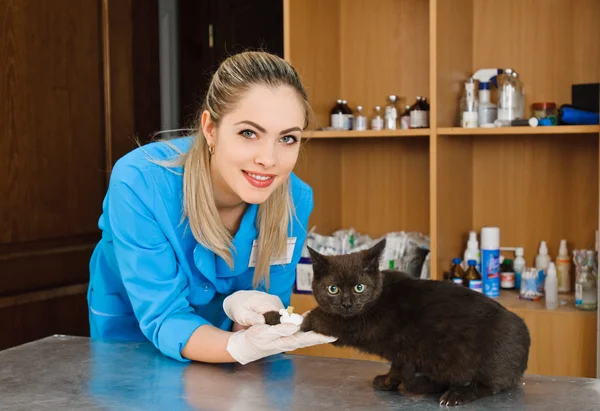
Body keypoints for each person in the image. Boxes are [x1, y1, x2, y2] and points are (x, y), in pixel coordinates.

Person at [87, 51, 336, 365]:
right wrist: (239, 347)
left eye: (287, 138)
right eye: (249, 133)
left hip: (227, 352)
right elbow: (164, 316)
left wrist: (254, 324)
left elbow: (269, 310)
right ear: (210, 129)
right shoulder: (139, 183)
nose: (269, 159)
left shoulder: (295, 200)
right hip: (131, 342)